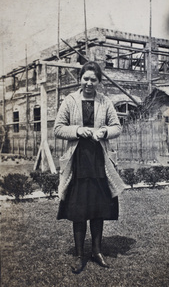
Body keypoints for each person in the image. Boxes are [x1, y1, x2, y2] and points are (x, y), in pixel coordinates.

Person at [54, 61, 124, 273]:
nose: (89, 83)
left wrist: (103, 132)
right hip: (78, 162)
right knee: (78, 209)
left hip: (99, 162)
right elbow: (58, 128)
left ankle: (96, 251)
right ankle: (79, 255)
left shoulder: (105, 102)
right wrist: (77, 130)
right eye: (86, 78)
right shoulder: (70, 100)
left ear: (99, 81)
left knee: (98, 208)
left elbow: (117, 127)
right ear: (80, 79)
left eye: (94, 79)